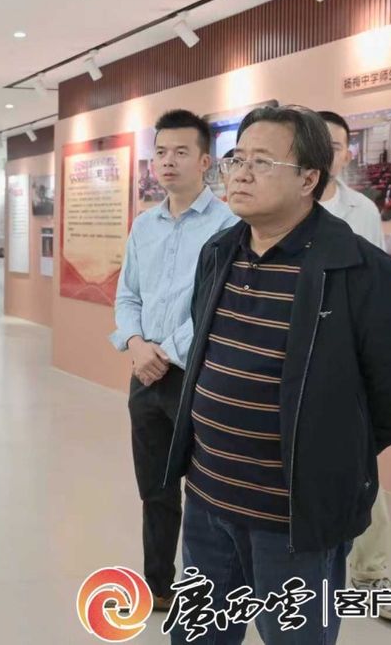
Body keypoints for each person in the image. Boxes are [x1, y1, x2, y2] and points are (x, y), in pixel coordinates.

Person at [164, 106, 391, 644]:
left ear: (309, 179)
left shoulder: (361, 270)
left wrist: (329, 452)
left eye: (262, 162)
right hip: (209, 498)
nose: (240, 174)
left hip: (294, 518)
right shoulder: (219, 252)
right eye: (237, 159)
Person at [111, 109, 238, 611]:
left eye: (181, 152)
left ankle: (212, 590)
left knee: (209, 494)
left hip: (201, 377)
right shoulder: (144, 225)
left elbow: (218, 304)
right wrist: (135, 344)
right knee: (156, 490)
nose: (168, 161)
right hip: (146, 377)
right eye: (161, 152)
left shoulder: (229, 225)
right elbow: (128, 296)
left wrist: (163, 352)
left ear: (205, 161)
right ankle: (159, 586)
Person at [318, 111, 391, 620]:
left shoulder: (363, 210)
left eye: (335, 145)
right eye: (317, 142)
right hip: (289, 361)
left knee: (360, 468)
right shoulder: (280, 206)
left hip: (346, 360)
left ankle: (371, 574)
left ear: (347, 153)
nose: (326, 152)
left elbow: (375, 288)